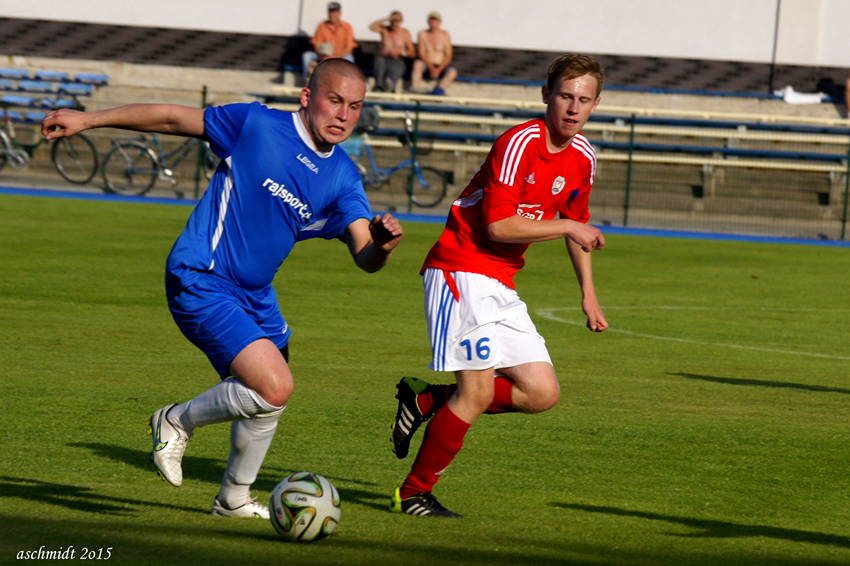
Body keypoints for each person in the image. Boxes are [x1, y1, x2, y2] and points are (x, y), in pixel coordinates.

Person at [42, 58, 404, 519]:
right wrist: (89, 119)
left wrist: (384, 246)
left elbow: (365, 254)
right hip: (202, 276)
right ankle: (175, 420)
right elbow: (174, 118)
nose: (343, 115)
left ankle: (233, 497)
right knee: (274, 385)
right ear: (307, 97)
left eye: (354, 107)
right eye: (334, 101)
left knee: (269, 395)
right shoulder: (255, 124)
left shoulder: (343, 177)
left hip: (255, 295)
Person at [388, 54, 608, 518]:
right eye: (565, 96)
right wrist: (568, 227)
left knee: (541, 392)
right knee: (478, 393)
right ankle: (412, 494)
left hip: (500, 281)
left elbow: (578, 225)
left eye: (583, 100)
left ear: (595, 104)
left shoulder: (584, 156)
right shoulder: (518, 143)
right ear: (545, 94)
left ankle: (427, 398)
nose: (573, 108)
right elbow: (498, 228)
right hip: (460, 268)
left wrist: (588, 293)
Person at [301, 2, 358, 81]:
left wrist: (334, 57)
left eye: (334, 12)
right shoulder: (322, 25)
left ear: (340, 13)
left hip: (340, 56)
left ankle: (346, 81)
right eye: (330, 12)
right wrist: (322, 55)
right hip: (323, 56)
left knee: (349, 58)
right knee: (307, 56)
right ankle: (308, 81)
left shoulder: (347, 27)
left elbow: (349, 48)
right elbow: (317, 45)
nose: (332, 14)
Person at [410, 11, 458, 95]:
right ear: (428, 22)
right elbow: (421, 53)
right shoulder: (422, 34)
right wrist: (431, 68)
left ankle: (439, 90)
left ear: (440, 22)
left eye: (435, 20)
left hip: (440, 65)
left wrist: (438, 69)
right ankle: (415, 87)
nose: (433, 23)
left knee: (453, 72)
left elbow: (448, 55)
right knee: (418, 64)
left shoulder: (445, 35)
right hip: (427, 65)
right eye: (431, 20)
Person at [368, 10, 415, 92]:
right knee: (379, 61)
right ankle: (379, 86)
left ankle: (390, 85)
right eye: (393, 21)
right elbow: (371, 27)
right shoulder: (384, 30)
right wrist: (387, 18)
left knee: (397, 69)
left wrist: (400, 53)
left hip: (397, 60)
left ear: (401, 21)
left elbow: (412, 52)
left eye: (397, 21)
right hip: (383, 59)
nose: (394, 23)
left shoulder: (405, 33)